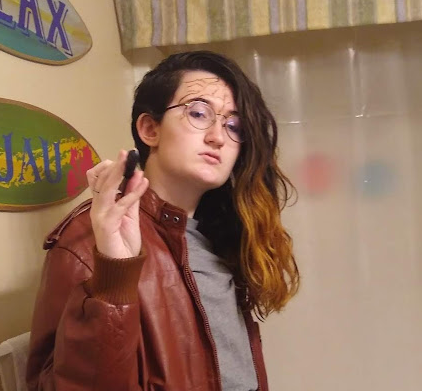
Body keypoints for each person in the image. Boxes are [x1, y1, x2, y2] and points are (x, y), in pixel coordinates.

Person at [26, 50, 299, 391]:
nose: (218, 136)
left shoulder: (220, 233)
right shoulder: (89, 240)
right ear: (149, 128)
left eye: (234, 126)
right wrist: (114, 277)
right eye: (198, 113)